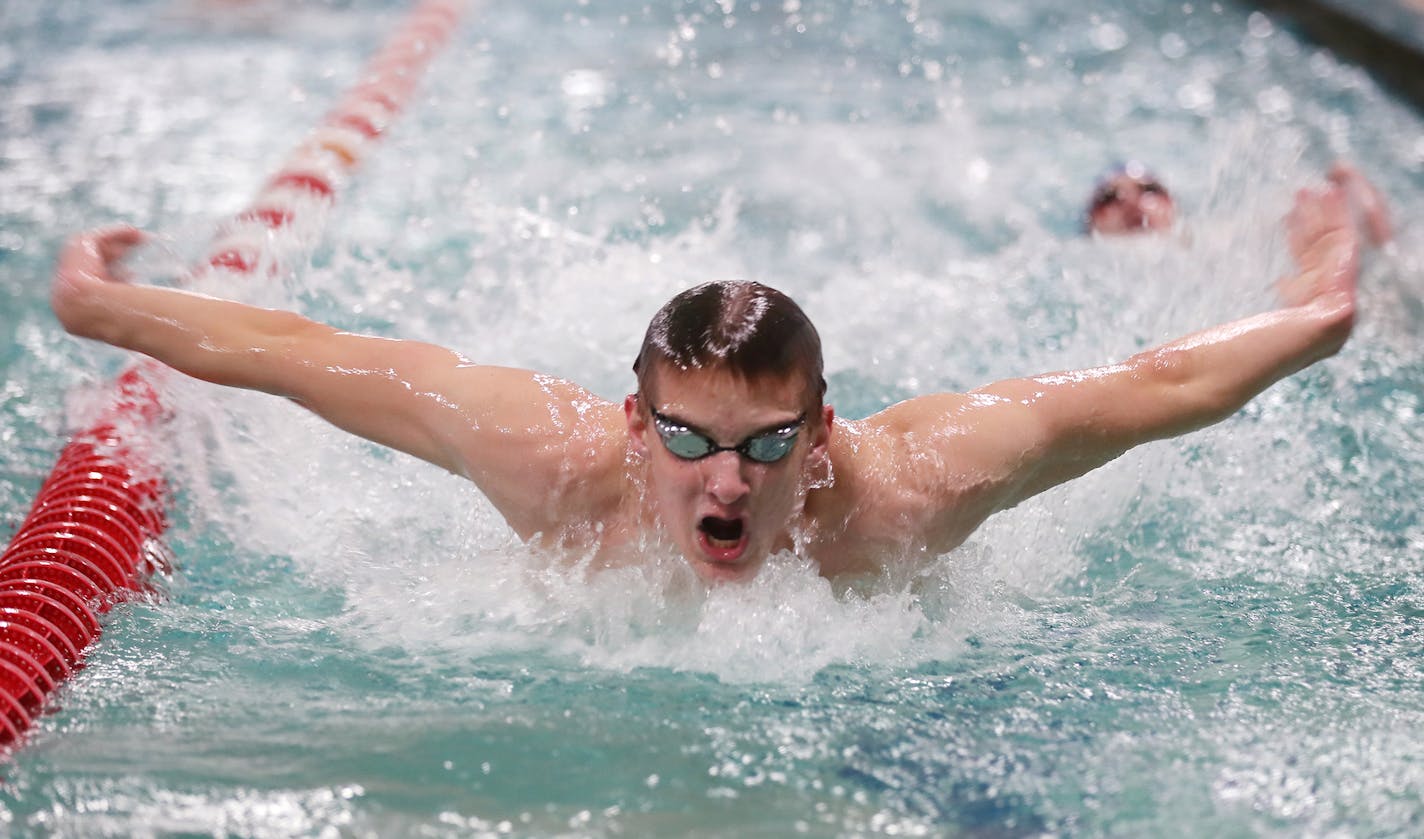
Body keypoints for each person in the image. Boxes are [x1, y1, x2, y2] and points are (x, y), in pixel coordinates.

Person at [50, 172, 1379, 584]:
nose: (725, 481)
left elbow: (1142, 388)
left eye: (764, 444)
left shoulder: (913, 486)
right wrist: (97, 303)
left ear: (822, 433)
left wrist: (1318, 297)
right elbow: (310, 354)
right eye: (688, 441)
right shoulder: (551, 460)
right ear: (636, 425)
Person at [1086, 158, 1392, 243]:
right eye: (1109, 197)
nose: (1130, 201)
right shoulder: (1081, 263)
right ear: (1090, 224)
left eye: (1150, 190)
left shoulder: (1219, 238)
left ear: (1173, 205)